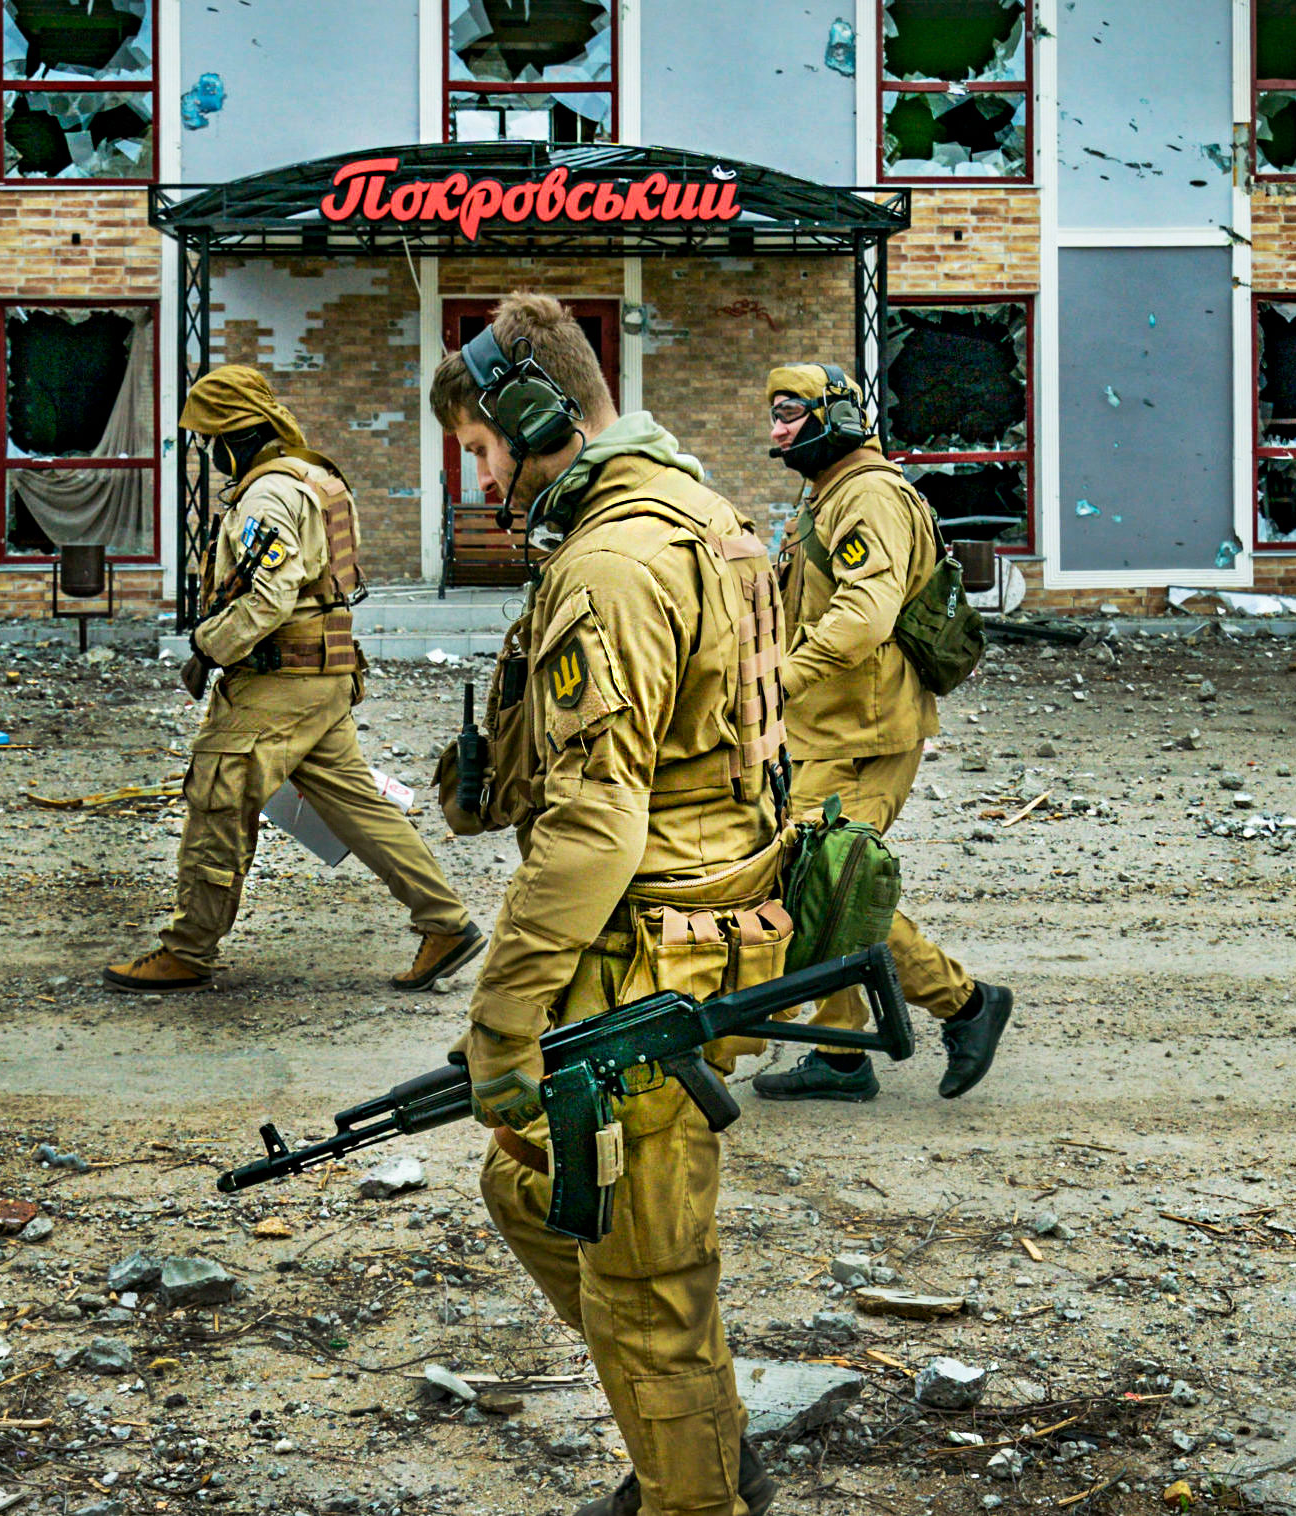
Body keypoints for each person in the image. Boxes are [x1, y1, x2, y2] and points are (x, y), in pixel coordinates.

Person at [432, 295, 782, 1516]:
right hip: (703, 934)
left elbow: (595, 825)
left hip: (646, 962)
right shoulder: (703, 516)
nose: (482, 480)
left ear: (539, 417)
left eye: (483, 449)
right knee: (537, 1191)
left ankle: (695, 1492)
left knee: (643, 1281)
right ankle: (694, 1446)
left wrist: (500, 1022)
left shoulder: (612, 564)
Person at [101, 364, 483, 994]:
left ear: (237, 437)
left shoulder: (267, 496)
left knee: (218, 799)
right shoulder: (314, 479)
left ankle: (187, 951)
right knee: (358, 806)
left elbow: (270, 597)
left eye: (212, 441)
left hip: (278, 682)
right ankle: (446, 923)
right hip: (322, 676)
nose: (210, 454)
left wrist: (208, 645)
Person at [748, 362, 1014, 1104]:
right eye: (773, 416)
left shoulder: (867, 496)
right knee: (813, 883)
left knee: (826, 882)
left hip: (865, 732)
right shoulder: (830, 494)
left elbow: (863, 617)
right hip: (826, 728)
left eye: (790, 414)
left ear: (834, 417)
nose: (777, 431)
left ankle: (966, 1003)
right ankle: (839, 1053)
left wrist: (779, 684)